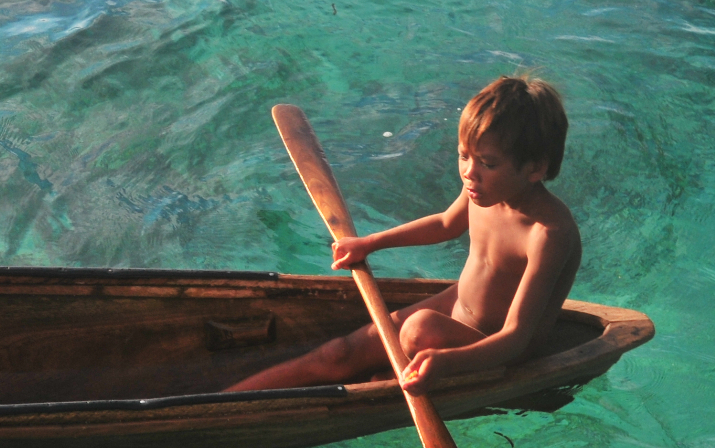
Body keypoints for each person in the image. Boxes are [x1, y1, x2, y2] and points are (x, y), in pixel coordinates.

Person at [226, 76, 581, 396]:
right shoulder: (484, 192)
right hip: (454, 308)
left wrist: (449, 363)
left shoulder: (548, 234)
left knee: (419, 331)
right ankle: (226, 400)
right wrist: (370, 243)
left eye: (488, 163)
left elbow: (516, 339)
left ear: (536, 167)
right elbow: (445, 223)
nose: (469, 173)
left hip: (494, 349)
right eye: (463, 156)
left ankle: (386, 379)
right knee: (339, 353)